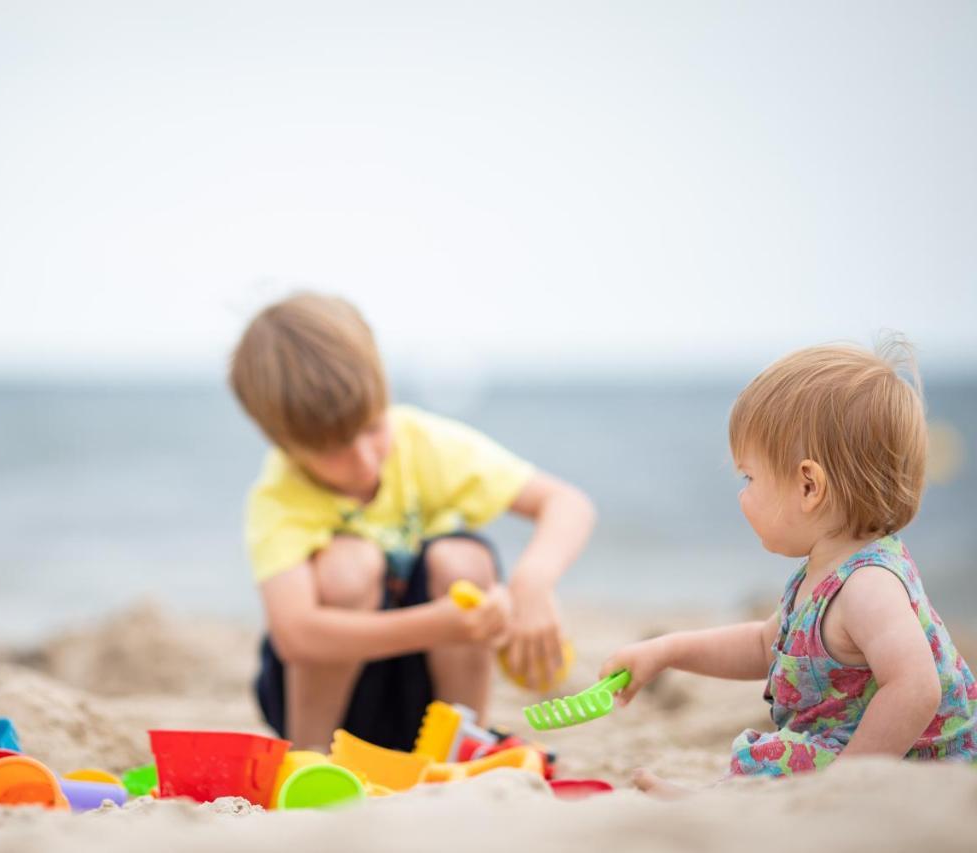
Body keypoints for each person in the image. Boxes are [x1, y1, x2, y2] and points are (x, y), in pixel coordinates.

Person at [601, 340, 977, 793]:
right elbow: (765, 644)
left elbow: (916, 687)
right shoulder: (824, 573)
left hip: (922, 768)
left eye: (750, 477)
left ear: (808, 486)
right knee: (778, 755)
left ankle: (712, 803)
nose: (742, 494)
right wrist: (666, 651)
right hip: (853, 749)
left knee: (774, 759)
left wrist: (848, 782)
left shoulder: (868, 585)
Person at [229, 292, 596, 750]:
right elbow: (297, 635)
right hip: (330, 700)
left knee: (462, 559)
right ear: (282, 443)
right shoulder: (280, 496)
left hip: (428, 697)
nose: (364, 461)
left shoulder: (422, 442)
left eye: (371, 427)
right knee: (349, 564)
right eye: (333, 449)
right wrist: (437, 625)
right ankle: (310, 756)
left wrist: (532, 586)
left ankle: (460, 748)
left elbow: (566, 503)